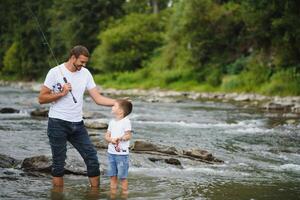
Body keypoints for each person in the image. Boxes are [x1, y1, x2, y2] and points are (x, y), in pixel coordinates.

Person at [38, 45, 116, 188]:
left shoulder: (86, 73)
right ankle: (57, 197)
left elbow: (98, 98)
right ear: (73, 58)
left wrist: (118, 102)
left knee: (92, 157)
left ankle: (94, 195)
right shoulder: (54, 72)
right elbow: (41, 98)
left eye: (85, 62)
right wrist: (61, 93)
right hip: (57, 123)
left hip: (78, 125)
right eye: (81, 62)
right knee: (58, 164)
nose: (83, 65)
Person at [104, 99, 133, 196]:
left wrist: (121, 138)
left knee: (122, 177)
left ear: (120, 111)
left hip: (122, 154)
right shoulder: (112, 122)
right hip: (111, 153)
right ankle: (113, 194)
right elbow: (106, 136)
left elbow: (128, 135)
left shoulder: (126, 121)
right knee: (112, 175)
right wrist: (110, 139)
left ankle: (124, 194)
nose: (112, 107)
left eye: (114, 106)